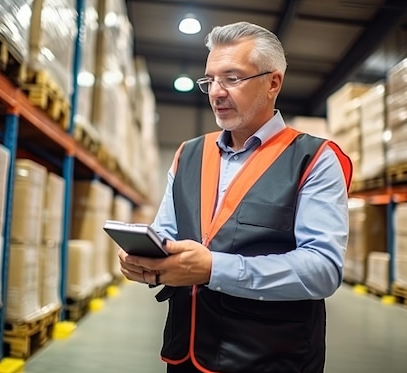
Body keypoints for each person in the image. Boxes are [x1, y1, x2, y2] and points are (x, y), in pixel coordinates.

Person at [118, 21, 352, 373]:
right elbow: (166, 232)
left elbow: (322, 268)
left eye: (232, 78)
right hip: (185, 354)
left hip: (269, 360)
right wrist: (147, 262)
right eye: (210, 79)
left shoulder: (314, 158)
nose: (216, 92)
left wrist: (214, 268)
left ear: (273, 83)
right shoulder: (189, 153)